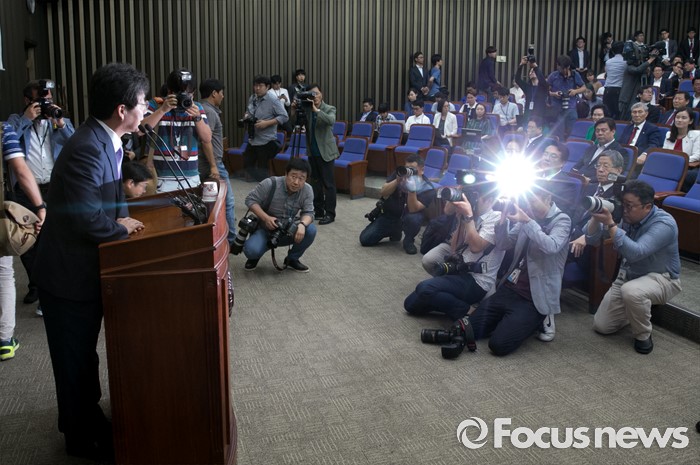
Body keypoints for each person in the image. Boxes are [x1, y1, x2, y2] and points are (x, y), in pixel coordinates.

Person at [33, 62, 148, 461]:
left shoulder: (108, 140)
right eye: (142, 102)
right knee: (73, 359)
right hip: (67, 276)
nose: (146, 109)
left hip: (85, 268)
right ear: (122, 109)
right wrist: (121, 228)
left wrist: (122, 222)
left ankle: (88, 420)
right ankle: (79, 438)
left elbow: (107, 203)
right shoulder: (86, 146)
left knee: (83, 356)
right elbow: (86, 218)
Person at [468, 180, 572, 354]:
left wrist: (528, 221)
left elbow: (551, 246)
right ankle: (510, 319)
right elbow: (504, 244)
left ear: (548, 198)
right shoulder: (527, 216)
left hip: (534, 296)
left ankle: (540, 318)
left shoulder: (562, 220)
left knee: (499, 345)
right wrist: (502, 223)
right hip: (510, 287)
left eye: (533, 201)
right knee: (469, 329)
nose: (529, 205)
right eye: (527, 201)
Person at [585, 180, 681, 354]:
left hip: (662, 278)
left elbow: (635, 253)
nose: (624, 210)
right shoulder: (627, 216)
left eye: (629, 206)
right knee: (602, 326)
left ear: (647, 207)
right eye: (623, 204)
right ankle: (636, 308)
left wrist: (611, 224)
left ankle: (643, 335)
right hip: (629, 277)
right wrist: (595, 217)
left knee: (632, 292)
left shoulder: (664, 224)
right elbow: (591, 240)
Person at [6, 79, 75, 306]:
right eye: (41, 100)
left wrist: (60, 123)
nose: (46, 105)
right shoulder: (15, 120)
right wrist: (27, 119)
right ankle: (36, 285)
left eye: (49, 100)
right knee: (28, 240)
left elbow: (75, 144)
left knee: (55, 237)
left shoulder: (58, 120)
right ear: (28, 100)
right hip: (25, 190)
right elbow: (7, 141)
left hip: (53, 187)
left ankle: (55, 283)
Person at [404, 180, 505, 320]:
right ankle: (451, 301)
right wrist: (461, 218)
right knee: (410, 305)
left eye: (476, 198)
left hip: (477, 281)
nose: (472, 201)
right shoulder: (469, 214)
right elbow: (454, 250)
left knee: (424, 288)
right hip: (459, 271)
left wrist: (468, 217)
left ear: (490, 200)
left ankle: (467, 311)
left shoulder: (496, 218)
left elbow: (476, 247)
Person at [0, 123, 45, 360]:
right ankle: (4, 341)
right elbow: (20, 169)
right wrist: (39, 206)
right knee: (3, 274)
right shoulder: (3, 130)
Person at [142, 68, 218, 192]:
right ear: (169, 91)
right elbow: (140, 130)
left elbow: (207, 138)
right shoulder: (156, 105)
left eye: (188, 94)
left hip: (191, 176)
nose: (183, 97)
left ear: (193, 93)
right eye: (179, 94)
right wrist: (162, 110)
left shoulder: (197, 108)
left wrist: (197, 117)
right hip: (161, 177)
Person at [242, 158, 316, 272]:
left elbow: (309, 212)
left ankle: (292, 259)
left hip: (287, 230)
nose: (296, 182)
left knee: (310, 230)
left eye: (301, 178)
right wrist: (266, 218)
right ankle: (256, 254)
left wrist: (302, 224)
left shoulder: (307, 189)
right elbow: (250, 200)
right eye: (293, 176)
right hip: (265, 229)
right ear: (286, 173)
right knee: (251, 251)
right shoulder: (270, 183)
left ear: (306, 179)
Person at [359, 154, 436, 254]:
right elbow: (383, 192)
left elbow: (413, 208)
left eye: (412, 169)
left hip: (409, 217)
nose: (408, 172)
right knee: (365, 239)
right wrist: (397, 181)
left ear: (422, 170)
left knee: (415, 218)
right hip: (391, 215)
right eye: (407, 168)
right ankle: (394, 230)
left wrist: (412, 189)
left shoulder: (428, 188)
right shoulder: (400, 173)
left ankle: (408, 240)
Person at [198, 78, 236, 244]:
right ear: (214, 93)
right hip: (212, 165)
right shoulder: (209, 112)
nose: (223, 96)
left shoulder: (201, 108)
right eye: (221, 93)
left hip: (208, 164)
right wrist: (214, 166)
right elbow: (206, 140)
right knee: (227, 202)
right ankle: (231, 240)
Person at [238, 75, 288, 182]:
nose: (257, 88)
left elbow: (284, 116)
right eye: (255, 85)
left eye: (260, 86)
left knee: (262, 171)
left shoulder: (273, 100)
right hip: (253, 139)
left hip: (266, 140)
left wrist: (267, 123)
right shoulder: (252, 98)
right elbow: (249, 111)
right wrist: (246, 116)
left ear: (267, 87)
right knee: (247, 165)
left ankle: (266, 186)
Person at [304, 83, 339, 225]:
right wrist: (294, 110)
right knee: (315, 183)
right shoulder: (306, 109)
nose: (315, 97)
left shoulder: (329, 108)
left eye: (316, 93)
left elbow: (330, 121)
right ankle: (318, 211)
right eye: (311, 94)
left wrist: (316, 110)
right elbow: (295, 123)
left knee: (328, 184)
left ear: (321, 94)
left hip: (326, 152)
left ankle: (330, 213)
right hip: (312, 152)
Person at [660, 107, 700, 191]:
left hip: (689, 167)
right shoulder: (669, 134)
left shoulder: (697, 135)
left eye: (683, 118)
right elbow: (664, 153)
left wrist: (678, 162)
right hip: (670, 165)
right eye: (677, 117)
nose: (679, 120)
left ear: (690, 121)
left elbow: (697, 156)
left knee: (687, 176)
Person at [547, 55, 585, 140]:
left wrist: (575, 91)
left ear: (569, 67)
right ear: (558, 66)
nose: (564, 70)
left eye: (566, 68)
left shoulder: (575, 75)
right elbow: (545, 91)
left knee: (573, 132)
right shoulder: (553, 76)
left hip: (571, 107)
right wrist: (554, 94)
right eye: (562, 68)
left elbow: (584, 88)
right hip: (556, 108)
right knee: (558, 134)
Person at [619, 102, 664, 170]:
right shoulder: (628, 127)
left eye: (640, 112)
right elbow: (620, 142)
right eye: (634, 112)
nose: (637, 115)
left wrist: (645, 154)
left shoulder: (652, 128)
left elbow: (654, 145)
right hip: (623, 158)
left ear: (646, 114)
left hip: (638, 161)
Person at [514, 55, 548, 123]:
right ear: (529, 75)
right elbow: (517, 79)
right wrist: (521, 65)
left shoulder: (542, 86)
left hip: (539, 114)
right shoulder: (527, 87)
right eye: (531, 71)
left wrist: (535, 66)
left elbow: (542, 79)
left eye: (534, 71)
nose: (532, 72)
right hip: (528, 114)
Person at [603, 41, 626, 120]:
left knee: (607, 113)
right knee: (618, 114)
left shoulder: (608, 62)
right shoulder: (625, 62)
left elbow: (607, 74)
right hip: (619, 89)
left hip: (608, 89)